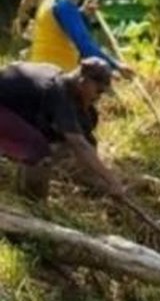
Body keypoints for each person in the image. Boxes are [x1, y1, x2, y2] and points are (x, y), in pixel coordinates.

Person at [0, 58, 126, 200]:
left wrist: (101, 180)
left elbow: (85, 141)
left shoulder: (63, 84)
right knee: (38, 150)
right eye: (99, 91)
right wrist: (111, 180)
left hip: (12, 108)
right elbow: (79, 144)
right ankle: (32, 203)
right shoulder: (59, 94)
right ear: (83, 81)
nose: (99, 97)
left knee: (53, 140)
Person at [28, 0, 133, 78]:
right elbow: (85, 46)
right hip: (55, 74)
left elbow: (58, 25)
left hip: (39, 71)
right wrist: (116, 66)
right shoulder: (64, 4)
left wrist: (82, 14)